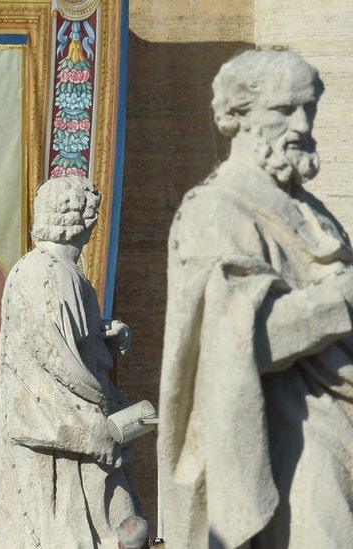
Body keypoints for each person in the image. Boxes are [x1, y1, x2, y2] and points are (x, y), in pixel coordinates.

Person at [160, 49, 353, 547]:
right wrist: (341, 300)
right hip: (294, 440)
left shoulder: (311, 209)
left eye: (309, 107)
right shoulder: (216, 211)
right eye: (285, 110)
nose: (304, 123)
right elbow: (243, 337)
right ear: (239, 118)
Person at [0, 176, 140, 548]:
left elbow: (75, 347)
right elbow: (52, 363)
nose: (94, 226)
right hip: (50, 431)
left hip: (64, 428)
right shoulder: (45, 272)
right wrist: (97, 416)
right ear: (81, 220)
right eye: (92, 217)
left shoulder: (68, 276)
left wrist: (107, 337)